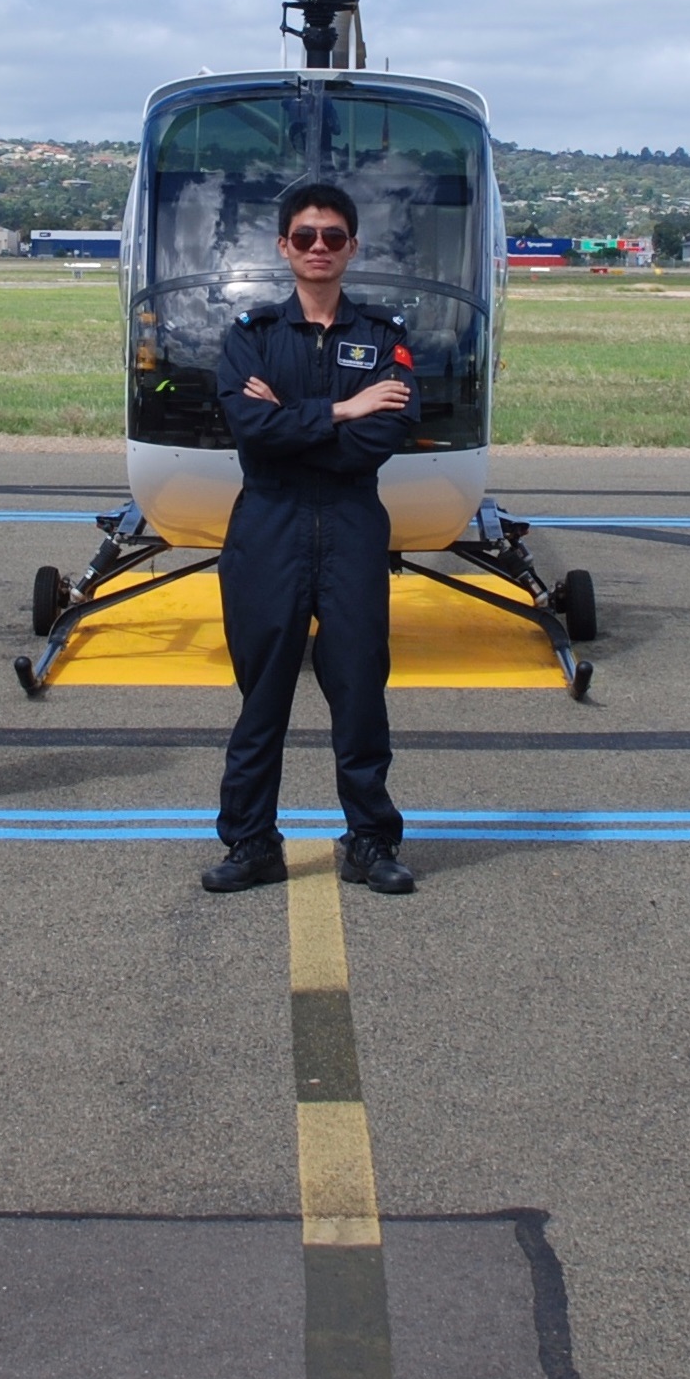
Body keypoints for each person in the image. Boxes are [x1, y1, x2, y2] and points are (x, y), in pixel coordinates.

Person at [201, 181, 419, 897]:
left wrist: (297, 421)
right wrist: (342, 409)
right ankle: (251, 841)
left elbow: (381, 438)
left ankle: (370, 839)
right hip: (267, 530)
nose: (318, 247)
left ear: (353, 246)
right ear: (282, 247)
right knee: (261, 695)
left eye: (332, 237)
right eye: (304, 237)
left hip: (353, 529)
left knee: (360, 691)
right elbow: (249, 434)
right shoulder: (251, 336)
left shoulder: (385, 337)